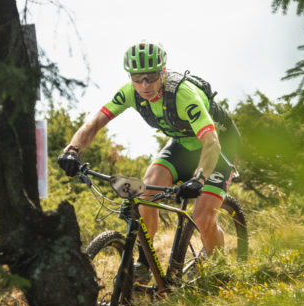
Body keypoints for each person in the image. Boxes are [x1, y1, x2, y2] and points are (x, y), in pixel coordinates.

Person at [57, 40, 240, 260]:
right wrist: (72, 149)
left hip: (220, 146)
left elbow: (212, 142)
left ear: (162, 72)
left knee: (202, 217)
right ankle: (145, 262)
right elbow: (94, 123)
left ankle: (220, 270)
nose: (144, 85)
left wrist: (199, 179)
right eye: (137, 79)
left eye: (151, 77)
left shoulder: (183, 95)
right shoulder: (130, 93)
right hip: (182, 144)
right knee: (146, 192)